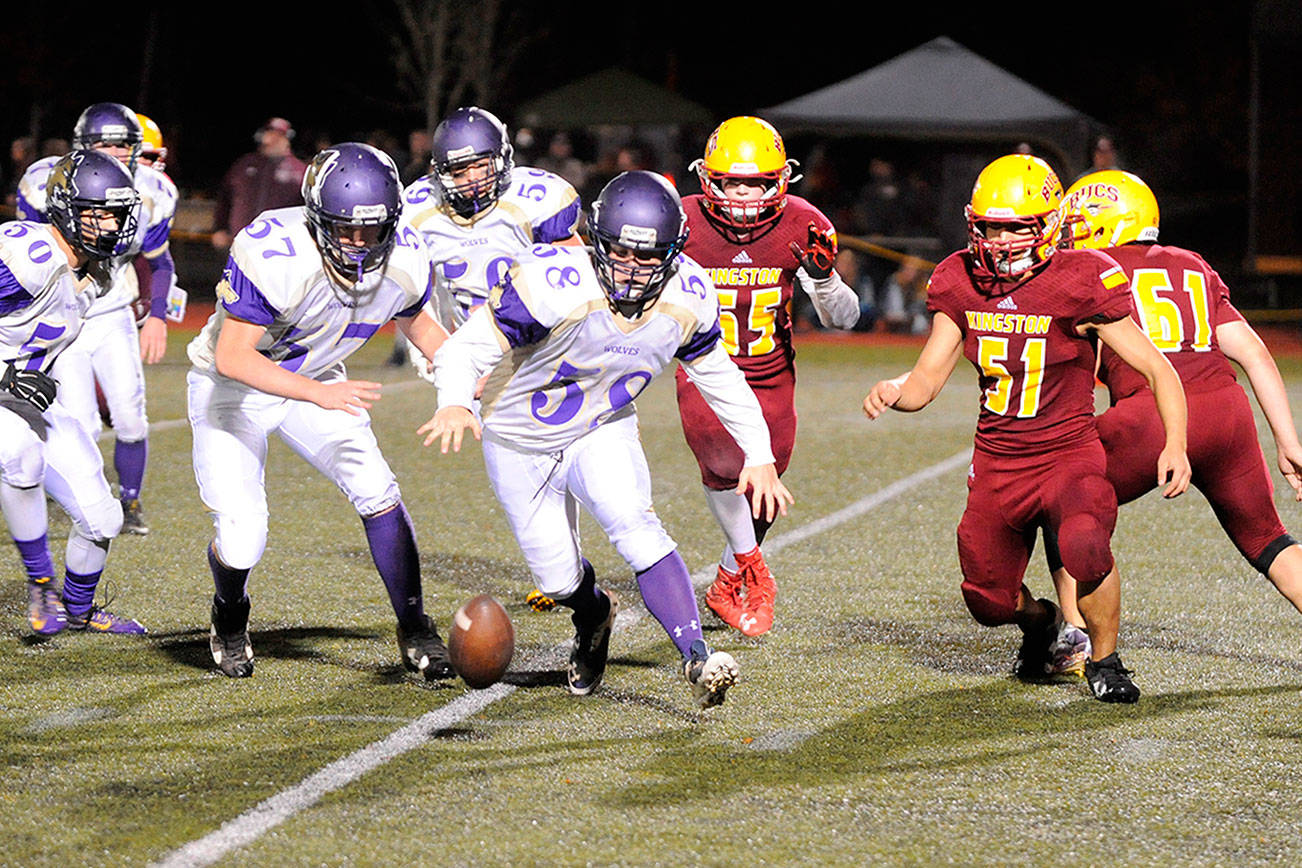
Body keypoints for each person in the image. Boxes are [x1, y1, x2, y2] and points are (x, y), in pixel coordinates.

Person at [419, 170, 793, 708]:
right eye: (620, 251)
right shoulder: (552, 282)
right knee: (556, 577)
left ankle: (697, 657)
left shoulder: (688, 294)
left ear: (674, 251)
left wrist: (758, 455)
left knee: (635, 525)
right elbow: (464, 349)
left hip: (601, 428)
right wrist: (453, 399)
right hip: (518, 437)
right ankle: (593, 615)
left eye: (648, 256)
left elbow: (721, 377)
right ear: (597, 240)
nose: (632, 267)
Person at [862, 154, 1192, 704]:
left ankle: (1106, 660)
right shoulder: (959, 278)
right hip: (998, 460)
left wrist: (1176, 442)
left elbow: (1159, 369)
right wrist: (896, 392)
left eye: (1015, 226)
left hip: (1068, 452)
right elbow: (926, 380)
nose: (1001, 240)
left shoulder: (1082, 278)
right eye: (990, 226)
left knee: (1086, 544)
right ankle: (1040, 624)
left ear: (1049, 225)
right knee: (986, 600)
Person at [187, 142, 454, 680]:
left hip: (316, 378)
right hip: (234, 385)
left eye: (371, 230)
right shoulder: (275, 249)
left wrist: (464, 384)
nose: (357, 244)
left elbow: (426, 331)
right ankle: (230, 614)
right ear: (315, 218)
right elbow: (233, 355)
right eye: (344, 229)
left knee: (378, 491)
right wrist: (317, 394)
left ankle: (415, 624)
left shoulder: (404, 257)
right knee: (243, 535)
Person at [1042, 169, 1302, 675]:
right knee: (1268, 539)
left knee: (1058, 494)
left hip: (1154, 414)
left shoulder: (1090, 273)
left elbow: (1080, 375)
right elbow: (1253, 353)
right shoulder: (1192, 265)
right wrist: (1287, 440)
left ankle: (1073, 635)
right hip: (1227, 410)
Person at [678, 116, 860, 637]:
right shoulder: (684, 220)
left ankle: (727, 579)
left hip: (771, 370)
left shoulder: (802, 221)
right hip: (704, 367)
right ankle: (755, 572)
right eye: (732, 182)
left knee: (767, 481)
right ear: (709, 179)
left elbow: (844, 319)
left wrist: (825, 280)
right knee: (718, 455)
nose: (742, 196)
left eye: (755, 183)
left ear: (779, 180)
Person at [16, 102, 179, 536]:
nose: (112, 151)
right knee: (81, 422)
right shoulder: (44, 182)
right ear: (82, 146)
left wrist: (158, 316)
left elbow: (159, 263)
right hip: (65, 314)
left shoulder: (153, 192)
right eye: (102, 143)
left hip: (110, 311)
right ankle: (78, 497)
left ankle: (130, 501)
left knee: (129, 414)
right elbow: (29, 255)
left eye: (122, 144)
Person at [2, 149, 146, 634]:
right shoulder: (28, 255)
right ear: (65, 207)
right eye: (97, 212)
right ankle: (40, 586)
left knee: (101, 518)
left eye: (116, 214)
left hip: (31, 399)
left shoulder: (97, 272)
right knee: (17, 453)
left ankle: (79, 611)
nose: (109, 225)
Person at [210, 117, 307, 249]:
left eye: (278, 135)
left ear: (287, 139)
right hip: (239, 244)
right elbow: (224, 199)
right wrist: (219, 228)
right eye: (269, 133)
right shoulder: (244, 164)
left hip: (279, 247)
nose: (272, 139)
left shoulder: (300, 171)